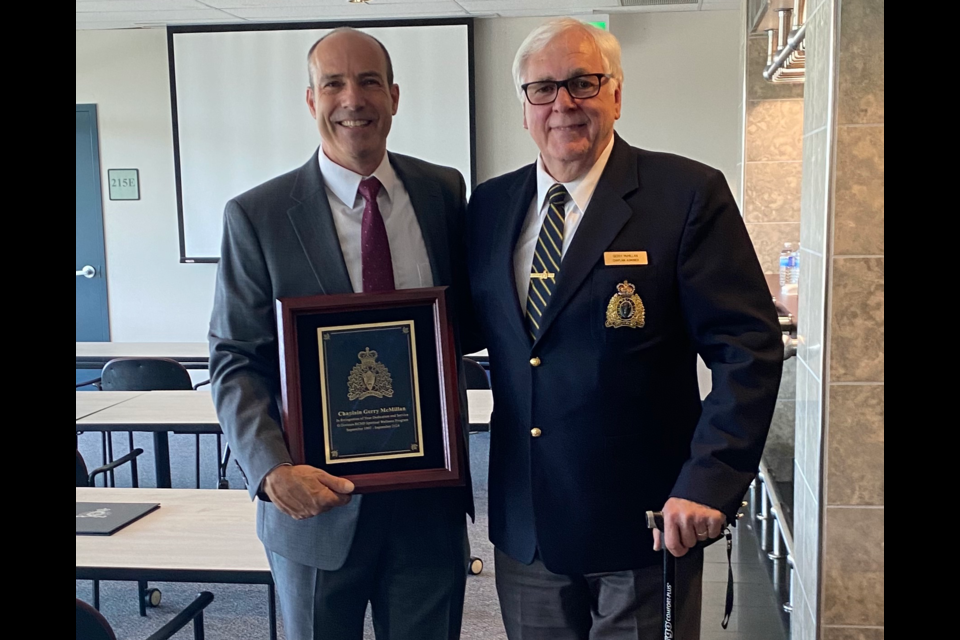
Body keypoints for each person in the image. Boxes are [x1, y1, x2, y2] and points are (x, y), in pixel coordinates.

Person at [465, 18, 784, 640]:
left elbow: (746, 348)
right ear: (524, 107)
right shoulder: (489, 206)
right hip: (526, 524)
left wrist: (709, 481)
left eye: (583, 83)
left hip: (647, 522)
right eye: (543, 89)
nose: (564, 104)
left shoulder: (685, 194)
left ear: (615, 93)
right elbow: (464, 331)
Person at [209, 28, 476, 640]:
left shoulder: (442, 191)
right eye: (333, 83)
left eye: (369, 81)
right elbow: (233, 358)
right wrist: (272, 472)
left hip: (426, 505)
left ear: (395, 96)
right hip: (313, 507)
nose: (352, 99)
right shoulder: (257, 215)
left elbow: (464, 321)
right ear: (311, 100)